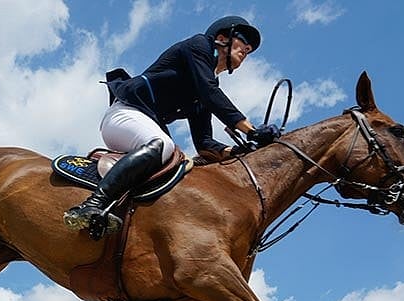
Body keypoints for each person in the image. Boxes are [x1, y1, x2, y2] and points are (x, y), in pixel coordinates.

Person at [63, 15, 281, 236]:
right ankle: (92, 205)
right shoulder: (199, 45)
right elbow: (210, 92)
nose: (248, 48)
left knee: (180, 162)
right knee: (164, 145)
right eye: (243, 40)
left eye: (250, 48)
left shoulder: (202, 92)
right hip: (124, 114)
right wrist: (251, 131)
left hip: (142, 123)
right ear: (222, 38)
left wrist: (238, 151)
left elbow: (204, 143)